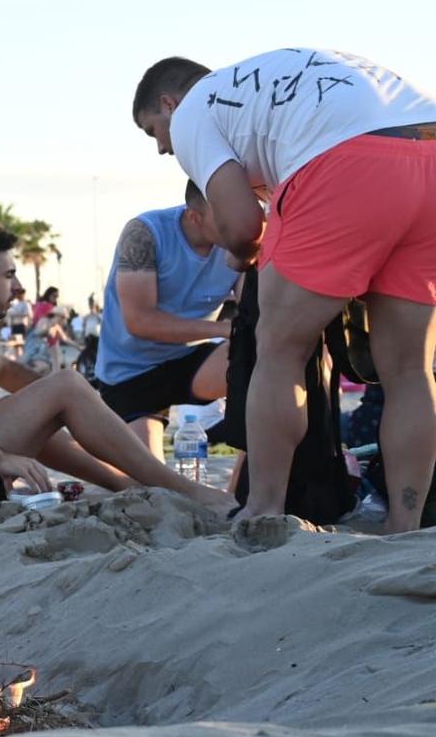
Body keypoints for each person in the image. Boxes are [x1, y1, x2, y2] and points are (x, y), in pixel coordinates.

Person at [134, 50, 436, 534]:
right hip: (429, 146)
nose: (162, 149)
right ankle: (406, 526)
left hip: (346, 159)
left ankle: (264, 509)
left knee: (278, 350)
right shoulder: (258, 87)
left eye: (153, 131)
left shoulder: (194, 110)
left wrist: (241, 256)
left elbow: (240, 226)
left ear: (168, 104)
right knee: (410, 370)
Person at [0, 224, 233, 514]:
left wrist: (86, 398)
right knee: (65, 387)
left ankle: (130, 484)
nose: (20, 287)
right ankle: (184, 489)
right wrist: (0, 457)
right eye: (9, 275)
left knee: (54, 400)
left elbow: (14, 378)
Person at [94, 183, 239, 457]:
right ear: (194, 217)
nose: (238, 225)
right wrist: (223, 329)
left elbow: (258, 315)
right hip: (130, 374)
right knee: (152, 484)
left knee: (262, 360)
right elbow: (140, 322)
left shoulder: (241, 243)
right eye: (226, 218)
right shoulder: (144, 233)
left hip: (190, 362)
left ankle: (241, 491)